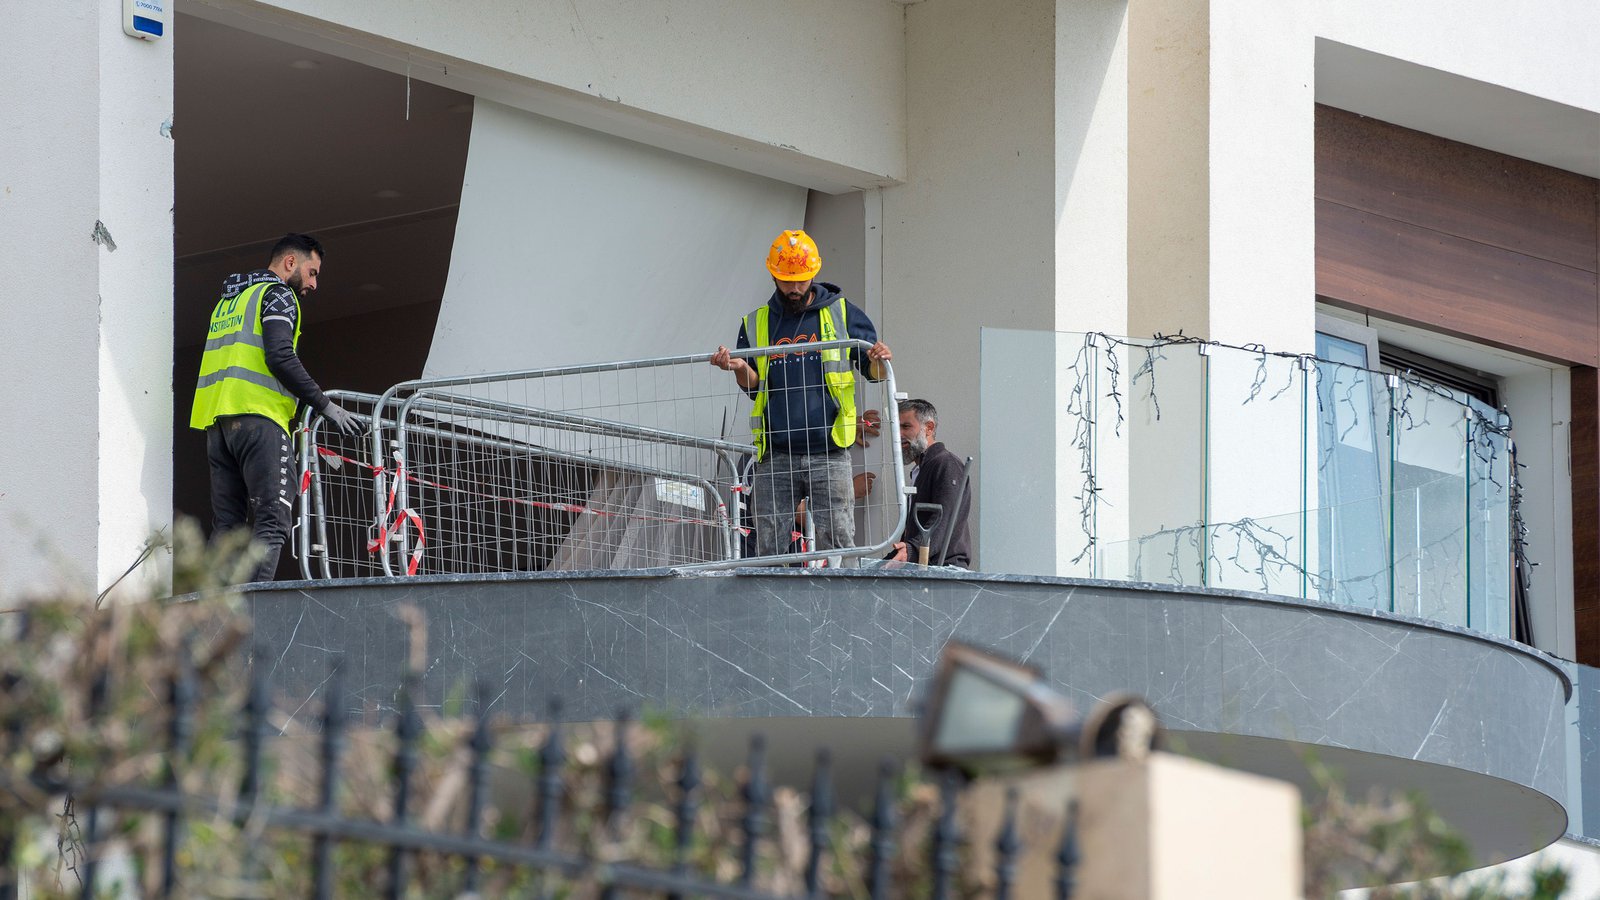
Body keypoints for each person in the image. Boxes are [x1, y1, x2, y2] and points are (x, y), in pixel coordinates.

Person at [189, 233, 364, 582]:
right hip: (260, 420)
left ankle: (211, 618)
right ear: (290, 263)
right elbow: (280, 355)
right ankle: (253, 619)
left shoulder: (230, 301)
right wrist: (326, 406)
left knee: (227, 527)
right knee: (273, 518)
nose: (313, 284)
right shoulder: (278, 295)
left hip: (218, 426)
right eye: (312, 272)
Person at [711, 229, 892, 558]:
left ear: (814, 273)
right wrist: (737, 367)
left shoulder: (841, 313)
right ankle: (773, 607)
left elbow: (873, 372)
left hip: (829, 449)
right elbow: (754, 386)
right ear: (772, 274)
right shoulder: (756, 323)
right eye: (786, 280)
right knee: (770, 547)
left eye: (801, 280)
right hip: (776, 453)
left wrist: (880, 362)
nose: (794, 288)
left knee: (838, 539)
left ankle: (843, 606)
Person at [889, 398, 972, 568]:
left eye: (905, 427)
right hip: (925, 569)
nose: (899, 435)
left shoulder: (946, 463)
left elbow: (944, 519)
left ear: (929, 428)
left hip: (945, 573)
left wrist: (910, 550)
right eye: (896, 427)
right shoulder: (921, 469)